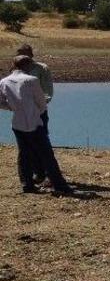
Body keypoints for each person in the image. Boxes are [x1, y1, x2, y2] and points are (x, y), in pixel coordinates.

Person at [0, 55, 72, 194]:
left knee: (24, 154)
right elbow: (42, 103)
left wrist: (13, 107)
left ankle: (27, 184)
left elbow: (1, 102)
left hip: (17, 122)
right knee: (46, 154)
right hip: (34, 121)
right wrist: (35, 110)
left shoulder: (4, 81)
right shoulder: (31, 80)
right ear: (28, 66)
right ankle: (59, 185)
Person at [16, 43, 54, 184]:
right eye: (19, 53)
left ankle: (49, 174)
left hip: (38, 112)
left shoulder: (42, 68)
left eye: (24, 53)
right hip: (21, 113)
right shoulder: (15, 70)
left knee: (42, 142)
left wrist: (38, 107)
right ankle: (36, 174)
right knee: (25, 146)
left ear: (31, 54)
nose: (22, 56)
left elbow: (48, 92)